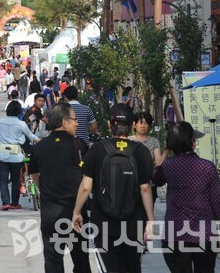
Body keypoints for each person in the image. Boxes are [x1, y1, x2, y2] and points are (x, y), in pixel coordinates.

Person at [72, 104, 155, 273]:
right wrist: (151, 220)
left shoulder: (97, 150)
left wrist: (77, 212)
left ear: (110, 124)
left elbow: (86, 186)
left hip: (103, 226)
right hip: (134, 225)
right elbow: (145, 188)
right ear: (132, 125)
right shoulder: (142, 151)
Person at [151, 121, 220, 273]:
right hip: (204, 233)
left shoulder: (168, 167)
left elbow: (156, 179)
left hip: (175, 233)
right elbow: (217, 201)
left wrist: (166, 151)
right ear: (193, 143)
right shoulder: (207, 167)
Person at [30, 102, 91, 273]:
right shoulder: (79, 146)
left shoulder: (39, 147)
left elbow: (34, 174)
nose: (77, 123)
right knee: (81, 262)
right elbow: (87, 181)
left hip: (50, 215)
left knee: (53, 262)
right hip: (76, 215)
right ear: (64, 122)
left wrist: (44, 189)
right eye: (74, 120)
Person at [0, 101, 39, 210]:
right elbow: (31, 136)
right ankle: (15, 203)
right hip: (16, 155)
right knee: (15, 179)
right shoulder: (21, 124)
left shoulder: (1, 122)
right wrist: (39, 140)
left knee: (3, 179)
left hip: (1, 154)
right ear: (19, 111)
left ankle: (5, 203)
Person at [129, 111, 162, 204]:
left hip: (149, 183)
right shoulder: (128, 140)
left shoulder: (154, 141)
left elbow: (158, 162)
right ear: (134, 125)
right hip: (131, 182)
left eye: (146, 123)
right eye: (140, 123)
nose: (143, 126)